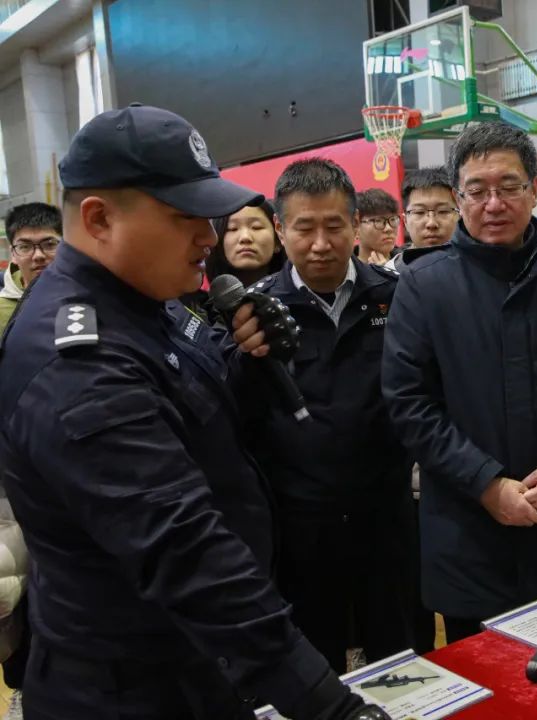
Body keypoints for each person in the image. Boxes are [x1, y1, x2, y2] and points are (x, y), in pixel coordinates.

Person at [0, 105, 385, 720]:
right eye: (186, 217)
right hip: (130, 689)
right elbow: (184, 551)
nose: (210, 237)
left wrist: (250, 365)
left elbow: (197, 412)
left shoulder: (147, 302)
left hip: (196, 663)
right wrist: (328, 706)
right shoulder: (78, 361)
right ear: (99, 218)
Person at [382, 121, 537, 644]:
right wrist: (485, 483)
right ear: (459, 198)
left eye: (509, 187)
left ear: (534, 190)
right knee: (484, 677)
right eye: (477, 190)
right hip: (469, 534)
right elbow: (410, 404)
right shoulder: (424, 286)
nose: (493, 204)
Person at [236, 158, 416, 672]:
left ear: (355, 224)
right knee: (314, 662)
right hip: (301, 527)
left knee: (403, 657)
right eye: (304, 228)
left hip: (387, 516)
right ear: (279, 229)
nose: (320, 244)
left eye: (334, 226)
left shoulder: (398, 296)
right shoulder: (255, 314)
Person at [0, 203, 62, 332]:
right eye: (25, 247)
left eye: (49, 244)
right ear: (13, 254)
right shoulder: (2, 311)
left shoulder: (87, 296)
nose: (38, 255)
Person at [386, 168, 458, 272]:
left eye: (443, 211)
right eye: (419, 212)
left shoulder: (476, 269)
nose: (431, 223)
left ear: (460, 215)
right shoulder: (390, 274)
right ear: (405, 221)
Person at [356, 188, 400, 265]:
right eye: (378, 221)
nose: (388, 228)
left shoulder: (408, 263)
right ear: (356, 228)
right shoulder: (344, 268)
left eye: (392, 219)